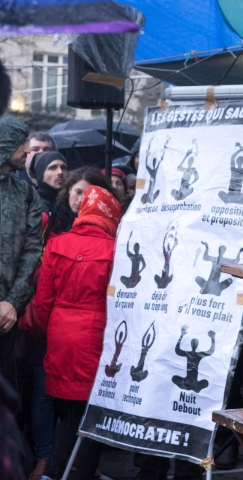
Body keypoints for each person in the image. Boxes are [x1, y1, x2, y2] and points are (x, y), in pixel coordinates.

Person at [35, 185, 121, 480]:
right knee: (93, 413)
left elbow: (43, 302)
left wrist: (38, 329)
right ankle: (82, 473)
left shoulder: (57, 244)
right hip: (96, 335)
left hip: (61, 334)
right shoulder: (115, 250)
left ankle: (54, 472)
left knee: (68, 412)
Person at [0, 115, 42, 389]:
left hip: (5, 319)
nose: (28, 149)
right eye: (21, 142)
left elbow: (31, 253)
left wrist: (13, 302)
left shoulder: (27, 194)